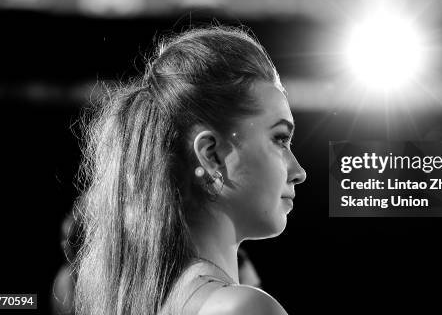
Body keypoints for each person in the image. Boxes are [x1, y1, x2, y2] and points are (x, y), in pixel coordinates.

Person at [72, 26, 307, 315]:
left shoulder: (149, 301)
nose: (299, 171)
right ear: (212, 156)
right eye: (280, 139)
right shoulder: (242, 308)